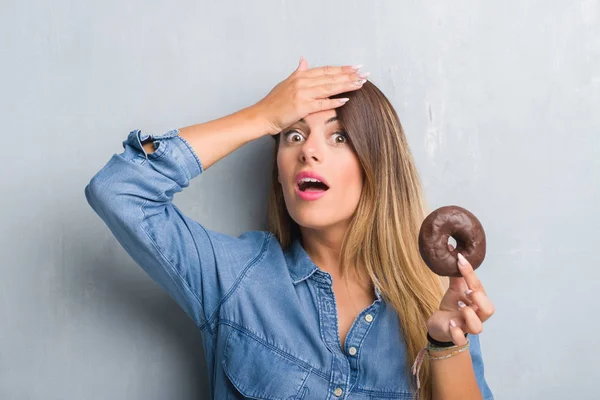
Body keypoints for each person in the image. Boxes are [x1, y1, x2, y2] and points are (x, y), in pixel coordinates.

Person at [85, 57, 494, 400]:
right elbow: (120, 190)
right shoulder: (237, 278)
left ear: (377, 166)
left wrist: (444, 347)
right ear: (279, 174)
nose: (308, 151)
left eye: (339, 137)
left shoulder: (436, 303)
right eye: (293, 135)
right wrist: (262, 116)